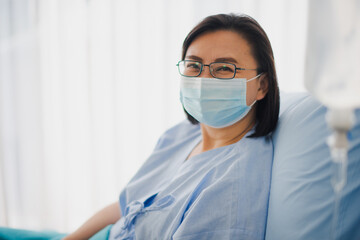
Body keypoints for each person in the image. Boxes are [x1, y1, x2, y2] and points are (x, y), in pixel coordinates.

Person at [0, 13, 279, 240]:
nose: (204, 79)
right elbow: (124, 206)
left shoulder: (233, 188)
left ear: (262, 85)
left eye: (224, 68)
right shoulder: (182, 135)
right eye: (194, 66)